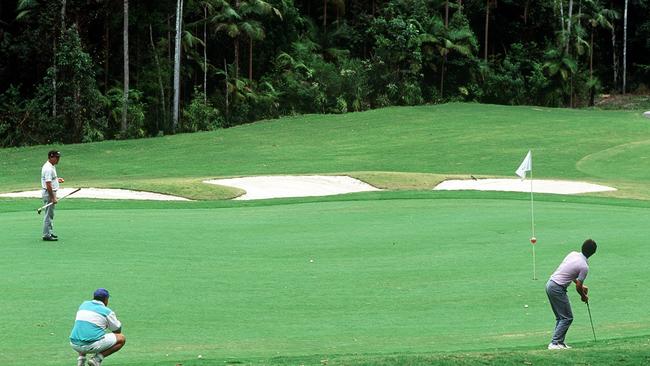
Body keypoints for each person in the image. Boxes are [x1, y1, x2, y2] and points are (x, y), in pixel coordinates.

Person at [545, 239, 597, 350]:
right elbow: (577, 286)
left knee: (561, 317)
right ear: (593, 253)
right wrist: (583, 296)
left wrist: (581, 286)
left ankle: (559, 342)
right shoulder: (584, 266)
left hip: (550, 284)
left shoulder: (573, 254)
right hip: (557, 288)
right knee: (567, 318)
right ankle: (554, 343)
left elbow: (570, 272)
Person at [69, 289, 126, 366]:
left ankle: (81, 361)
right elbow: (117, 330)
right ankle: (96, 359)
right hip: (91, 346)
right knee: (121, 338)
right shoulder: (107, 311)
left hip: (74, 344)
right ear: (106, 299)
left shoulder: (83, 305)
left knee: (83, 331)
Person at [41, 150, 64, 241]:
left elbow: (51, 180)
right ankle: (46, 235)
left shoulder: (51, 166)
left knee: (50, 214)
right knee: (48, 214)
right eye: (56, 158)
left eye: (58, 157)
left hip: (50, 192)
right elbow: (48, 184)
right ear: (51, 157)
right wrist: (53, 197)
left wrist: (57, 180)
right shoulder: (48, 168)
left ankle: (49, 232)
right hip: (49, 193)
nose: (58, 159)